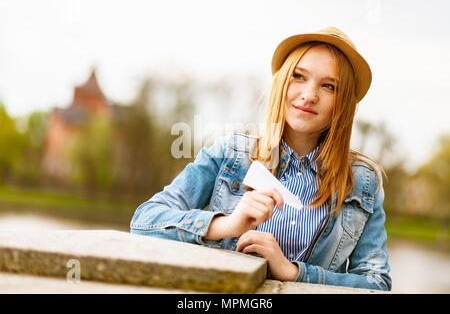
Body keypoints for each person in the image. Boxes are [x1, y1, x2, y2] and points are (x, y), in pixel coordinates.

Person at [130, 27, 391, 291]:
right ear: (281, 83)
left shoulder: (363, 181)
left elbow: (376, 282)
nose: (310, 95)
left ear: (343, 102)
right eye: (298, 76)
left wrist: (294, 272)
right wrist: (226, 225)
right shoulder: (230, 154)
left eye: (328, 86)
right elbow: (144, 220)